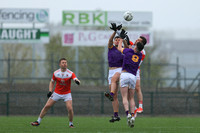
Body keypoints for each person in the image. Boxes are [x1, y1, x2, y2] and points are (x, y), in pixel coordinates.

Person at [31, 58, 80, 128]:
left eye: (65, 62)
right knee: (47, 106)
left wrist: (77, 81)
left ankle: (71, 124)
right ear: (60, 64)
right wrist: (50, 91)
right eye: (63, 62)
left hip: (67, 94)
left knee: (70, 109)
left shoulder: (70, 73)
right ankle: (38, 121)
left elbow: (76, 79)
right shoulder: (56, 73)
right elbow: (52, 82)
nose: (64, 64)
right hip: (57, 93)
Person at [117, 29, 144, 127]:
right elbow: (132, 47)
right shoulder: (140, 55)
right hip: (133, 77)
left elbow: (120, 48)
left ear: (136, 46)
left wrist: (120, 38)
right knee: (131, 98)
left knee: (125, 97)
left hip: (124, 75)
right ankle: (133, 116)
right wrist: (126, 40)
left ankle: (127, 113)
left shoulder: (128, 51)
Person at [104, 23, 124, 122]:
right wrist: (115, 31)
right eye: (116, 39)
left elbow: (127, 46)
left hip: (119, 70)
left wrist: (123, 38)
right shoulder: (111, 47)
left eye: (118, 39)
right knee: (115, 97)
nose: (116, 41)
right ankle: (116, 115)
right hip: (110, 70)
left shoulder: (123, 49)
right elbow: (109, 40)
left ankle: (111, 94)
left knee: (114, 80)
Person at [126, 35, 147, 114]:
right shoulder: (132, 45)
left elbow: (136, 62)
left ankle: (140, 107)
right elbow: (126, 40)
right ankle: (134, 107)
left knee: (137, 88)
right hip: (128, 69)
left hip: (135, 70)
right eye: (137, 39)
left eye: (139, 40)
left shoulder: (142, 52)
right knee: (128, 90)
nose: (136, 40)